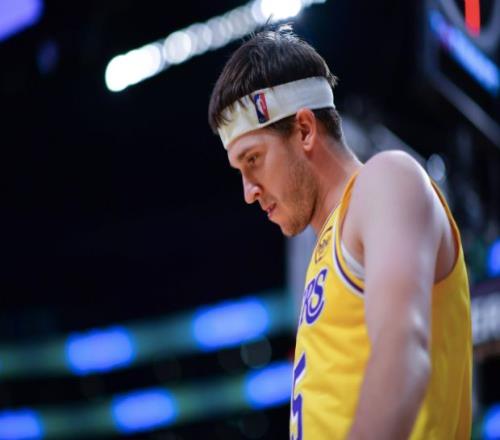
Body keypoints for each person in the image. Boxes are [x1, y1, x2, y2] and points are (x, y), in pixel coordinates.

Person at [208, 26, 472, 440]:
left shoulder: (387, 180)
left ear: (304, 130)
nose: (248, 191)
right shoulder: (326, 250)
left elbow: (402, 356)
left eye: (253, 159)